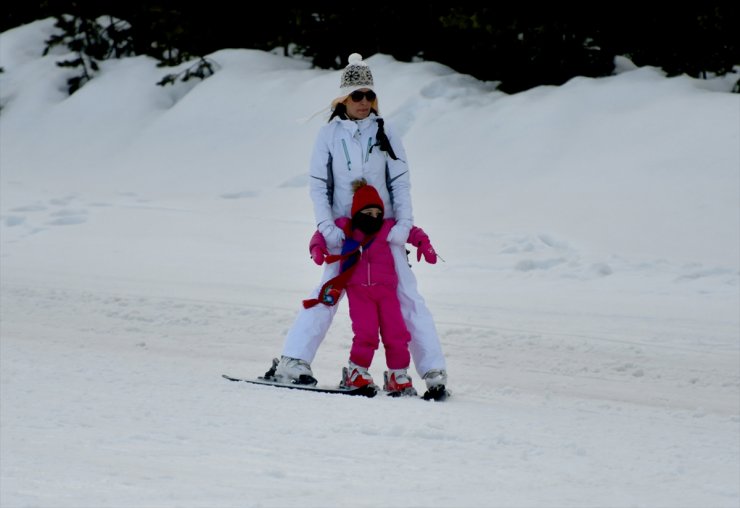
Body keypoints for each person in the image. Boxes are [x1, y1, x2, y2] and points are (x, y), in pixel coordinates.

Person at [265, 53, 449, 399]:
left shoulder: (386, 131)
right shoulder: (328, 135)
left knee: (408, 299)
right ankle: (293, 361)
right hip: (343, 233)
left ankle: (433, 371)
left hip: (385, 231)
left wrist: (404, 225)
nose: (364, 102)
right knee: (328, 294)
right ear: (343, 99)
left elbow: (401, 182)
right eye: (357, 95)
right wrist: (326, 226)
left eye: (369, 95)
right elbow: (319, 184)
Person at [303, 179, 435, 396]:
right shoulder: (347, 227)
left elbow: (412, 231)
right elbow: (321, 234)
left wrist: (425, 244)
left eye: (377, 213)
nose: (373, 217)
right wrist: (316, 248)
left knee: (397, 334)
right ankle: (356, 371)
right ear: (356, 212)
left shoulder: (387, 227)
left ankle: (397, 375)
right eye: (368, 212)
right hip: (359, 292)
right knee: (366, 333)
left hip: (387, 292)